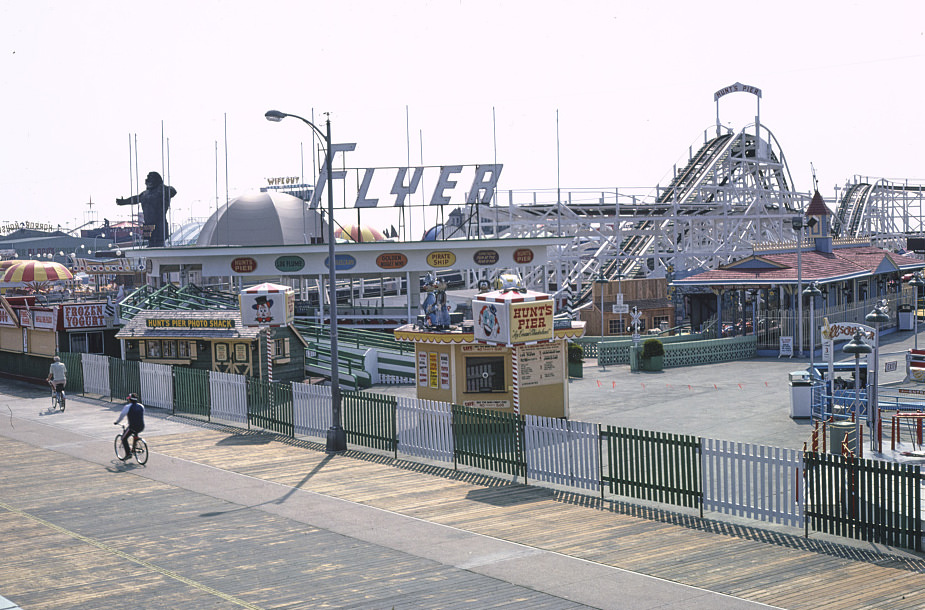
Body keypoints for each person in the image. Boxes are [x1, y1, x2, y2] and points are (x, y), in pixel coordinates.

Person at [115, 171, 177, 247]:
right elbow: (135, 198)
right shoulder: (145, 194)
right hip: (148, 224)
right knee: (151, 243)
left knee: (159, 244)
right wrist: (124, 202)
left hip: (159, 224)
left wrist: (161, 186)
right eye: (147, 178)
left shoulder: (163, 190)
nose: (147, 180)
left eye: (150, 178)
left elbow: (173, 191)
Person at [114, 393, 145, 460]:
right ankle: (134, 447)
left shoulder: (127, 407)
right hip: (141, 426)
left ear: (130, 400)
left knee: (123, 438)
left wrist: (117, 422)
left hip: (132, 427)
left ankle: (128, 454)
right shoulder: (141, 406)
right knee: (135, 434)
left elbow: (121, 416)